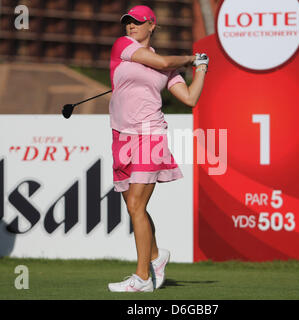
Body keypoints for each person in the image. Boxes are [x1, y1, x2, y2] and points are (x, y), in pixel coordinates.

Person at [107, 5, 209, 292]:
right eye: (128, 22)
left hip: (150, 134)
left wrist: (200, 69)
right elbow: (162, 63)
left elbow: (189, 98)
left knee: (137, 205)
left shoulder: (166, 65)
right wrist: (190, 57)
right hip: (121, 135)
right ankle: (156, 256)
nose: (131, 26)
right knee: (132, 205)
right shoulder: (123, 46)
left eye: (138, 22)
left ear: (152, 25)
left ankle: (142, 278)